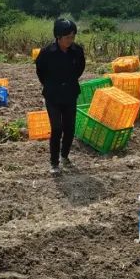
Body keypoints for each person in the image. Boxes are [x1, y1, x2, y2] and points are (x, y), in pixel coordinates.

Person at [35, 18, 86, 175]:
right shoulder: (47, 53)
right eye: (67, 37)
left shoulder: (77, 51)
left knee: (69, 128)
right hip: (53, 95)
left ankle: (65, 156)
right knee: (56, 128)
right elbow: (40, 71)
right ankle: (54, 162)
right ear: (58, 36)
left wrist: (69, 81)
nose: (70, 40)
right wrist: (51, 84)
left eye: (73, 37)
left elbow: (80, 68)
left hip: (70, 93)